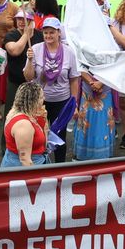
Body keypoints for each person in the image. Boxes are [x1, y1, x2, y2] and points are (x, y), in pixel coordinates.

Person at [23, 17, 79, 152]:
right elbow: (28, 77)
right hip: (40, 100)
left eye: (52, 32)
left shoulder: (69, 51)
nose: (48, 35)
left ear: (59, 32)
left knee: (60, 135)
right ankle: (40, 164)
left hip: (62, 101)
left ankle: (59, 167)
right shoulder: (35, 49)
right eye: (45, 32)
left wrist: (74, 103)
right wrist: (30, 61)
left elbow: (74, 79)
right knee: (38, 134)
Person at [1, 81, 47, 167]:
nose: (44, 98)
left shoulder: (15, 111)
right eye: (41, 97)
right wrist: (34, 179)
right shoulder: (23, 124)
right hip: (23, 167)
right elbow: (25, 160)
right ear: (33, 101)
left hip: (19, 160)